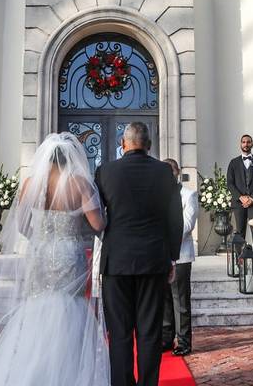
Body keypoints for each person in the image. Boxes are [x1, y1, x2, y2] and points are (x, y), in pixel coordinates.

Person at [0, 133, 109, 386]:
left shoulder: (30, 184)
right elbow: (97, 224)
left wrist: (42, 236)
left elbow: (23, 226)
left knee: (38, 306)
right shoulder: (80, 183)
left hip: (40, 251)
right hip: (69, 252)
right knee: (71, 307)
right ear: (71, 159)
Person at [98, 122, 183, 386]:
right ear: (149, 145)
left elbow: (98, 218)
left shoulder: (105, 172)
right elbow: (175, 219)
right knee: (149, 332)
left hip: (117, 262)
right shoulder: (164, 172)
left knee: (120, 332)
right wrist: (172, 256)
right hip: (153, 259)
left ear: (123, 144)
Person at [161, 158, 198, 357]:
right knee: (165, 299)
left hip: (181, 255)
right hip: (161, 255)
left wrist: (164, 236)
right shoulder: (158, 195)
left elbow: (188, 224)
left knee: (180, 301)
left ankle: (183, 341)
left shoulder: (189, 194)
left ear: (177, 172)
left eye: (171, 171)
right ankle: (166, 338)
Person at [226, 134, 253, 248]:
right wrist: (241, 197)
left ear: (252, 144)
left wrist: (252, 198)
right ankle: (240, 263)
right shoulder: (233, 162)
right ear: (240, 144)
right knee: (240, 232)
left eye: (248, 142)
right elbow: (230, 183)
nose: (246, 144)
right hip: (239, 203)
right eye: (243, 142)